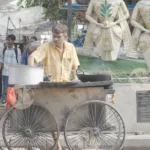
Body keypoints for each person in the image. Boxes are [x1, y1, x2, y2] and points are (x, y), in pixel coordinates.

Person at [0, 34, 21, 106]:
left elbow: (19, 61)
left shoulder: (17, 50)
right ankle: (4, 100)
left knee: (13, 87)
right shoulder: (4, 49)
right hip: (5, 71)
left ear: (13, 41)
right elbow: (1, 59)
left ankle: (13, 100)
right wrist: (1, 65)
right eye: (7, 40)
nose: (8, 41)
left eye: (9, 40)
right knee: (5, 86)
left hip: (14, 72)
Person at [129, 0, 150, 69]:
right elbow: (132, 20)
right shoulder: (140, 4)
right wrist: (144, 29)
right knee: (143, 41)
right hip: (147, 33)